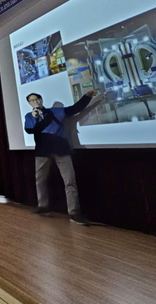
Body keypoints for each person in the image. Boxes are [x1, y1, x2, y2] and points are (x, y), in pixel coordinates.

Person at [24, 90, 99, 225]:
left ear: (41, 100)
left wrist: (87, 97)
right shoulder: (29, 116)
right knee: (40, 180)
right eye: (32, 100)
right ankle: (43, 206)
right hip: (42, 152)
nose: (36, 101)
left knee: (70, 181)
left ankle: (74, 213)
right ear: (29, 104)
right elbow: (30, 130)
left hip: (61, 150)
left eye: (37, 99)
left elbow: (76, 109)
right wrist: (35, 117)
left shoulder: (57, 111)